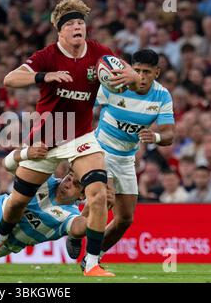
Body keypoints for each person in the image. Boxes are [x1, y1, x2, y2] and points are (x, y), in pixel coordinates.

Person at [0, 0, 141, 277]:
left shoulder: (98, 53)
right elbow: (10, 79)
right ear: (59, 31)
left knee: (97, 195)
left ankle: (92, 263)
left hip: (81, 137)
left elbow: (128, 71)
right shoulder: (47, 55)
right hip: (46, 139)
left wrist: (129, 76)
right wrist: (43, 76)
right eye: (70, 23)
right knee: (16, 203)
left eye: (80, 23)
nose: (77, 27)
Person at [66, 49, 175, 267]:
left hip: (126, 159)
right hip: (100, 151)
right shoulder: (113, 87)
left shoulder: (162, 96)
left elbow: (169, 134)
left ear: (157, 72)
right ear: (129, 69)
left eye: (147, 71)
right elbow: (82, 103)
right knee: (105, 198)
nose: (141, 76)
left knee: (125, 219)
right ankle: (79, 238)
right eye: (137, 70)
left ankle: (93, 254)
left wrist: (154, 136)